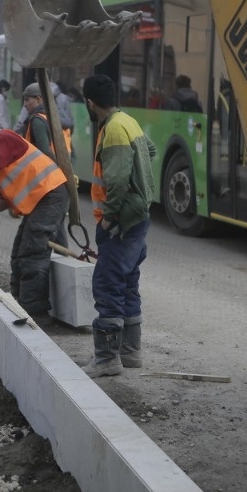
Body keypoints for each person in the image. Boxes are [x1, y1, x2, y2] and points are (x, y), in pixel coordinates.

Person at [81, 74, 156, 377]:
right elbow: (149, 151)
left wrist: (110, 217)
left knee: (108, 283)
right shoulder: (129, 121)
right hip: (139, 217)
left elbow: (116, 181)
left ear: (90, 102)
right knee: (127, 282)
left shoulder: (111, 130)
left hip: (121, 222)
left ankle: (107, 358)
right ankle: (130, 353)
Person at [0, 129, 69, 317]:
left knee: (32, 253)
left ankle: (35, 312)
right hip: (39, 200)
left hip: (50, 195)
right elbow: (5, 201)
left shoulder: (1, 138)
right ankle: (19, 302)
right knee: (19, 253)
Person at [21, 82, 71, 162]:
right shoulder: (53, 117)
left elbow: (45, 152)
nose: (24, 104)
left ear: (39, 99)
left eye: (27, 100)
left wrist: (58, 168)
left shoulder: (38, 121)